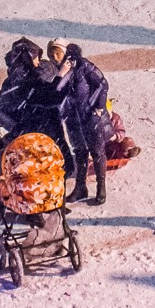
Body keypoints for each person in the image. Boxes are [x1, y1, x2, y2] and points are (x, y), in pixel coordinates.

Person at [55, 43, 111, 206]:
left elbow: (102, 84)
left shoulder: (85, 67)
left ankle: (101, 189)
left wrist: (99, 107)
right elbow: (57, 90)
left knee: (97, 152)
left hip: (90, 117)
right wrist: (61, 73)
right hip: (73, 119)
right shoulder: (61, 71)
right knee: (80, 152)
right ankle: (80, 188)